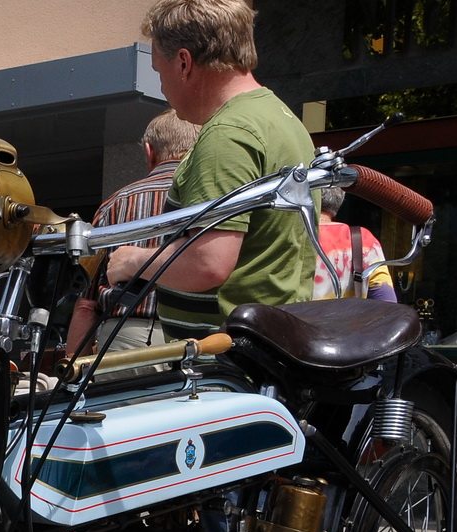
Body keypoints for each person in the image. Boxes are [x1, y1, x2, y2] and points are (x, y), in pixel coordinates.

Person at [105, 0, 317, 341]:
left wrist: (132, 261)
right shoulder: (281, 119)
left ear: (184, 62)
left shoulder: (228, 133)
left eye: (160, 71)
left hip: (223, 358)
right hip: (271, 339)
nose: (162, 87)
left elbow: (208, 264)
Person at [65, 110, 201, 356]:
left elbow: (87, 303)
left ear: (150, 152)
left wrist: (72, 371)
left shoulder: (115, 204)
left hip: (123, 336)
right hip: (198, 337)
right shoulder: (212, 199)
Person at [311, 185, 396, 302]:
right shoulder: (363, 239)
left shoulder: (293, 237)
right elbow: (387, 302)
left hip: (292, 318)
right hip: (348, 319)